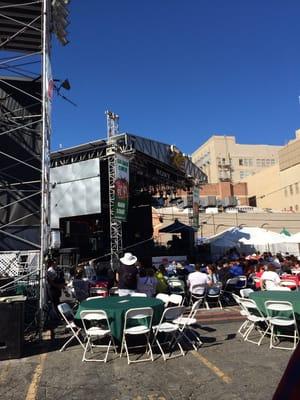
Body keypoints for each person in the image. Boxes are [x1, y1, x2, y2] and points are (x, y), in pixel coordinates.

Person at [46, 258, 66, 339]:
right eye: (55, 262)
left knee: (57, 302)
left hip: (57, 289)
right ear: (51, 263)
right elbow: (51, 281)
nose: (56, 263)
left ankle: (57, 316)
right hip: (53, 289)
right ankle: (56, 317)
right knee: (55, 303)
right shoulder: (50, 270)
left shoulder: (56, 270)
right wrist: (58, 286)